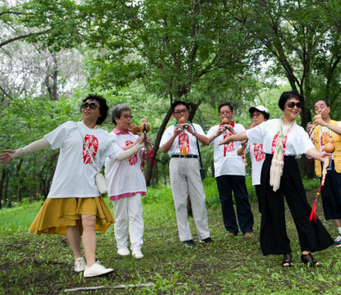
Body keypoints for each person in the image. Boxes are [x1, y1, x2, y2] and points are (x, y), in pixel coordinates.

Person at [0, 95, 144, 277]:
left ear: (100, 113)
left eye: (93, 105)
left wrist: (138, 146)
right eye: (85, 104)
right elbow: (45, 142)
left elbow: (119, 155)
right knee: (71, 223)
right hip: (66, 185)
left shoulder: (104, 136)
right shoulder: (69, 127)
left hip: (89, 187)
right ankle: (79, 258)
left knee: (89, 221)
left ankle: (91, 264)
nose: (87, 107)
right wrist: (18, 152)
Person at [220, 91, 333, 267]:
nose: (295, 107)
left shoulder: (299, 131)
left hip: (288, 168)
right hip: (269, 167)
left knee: (300, 208)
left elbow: (308, 148)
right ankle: (284, 251)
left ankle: (306, 251)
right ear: (283, 106)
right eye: (291, 104)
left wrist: (320, 156)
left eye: (298, 105)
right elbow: (248, 135)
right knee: (274, 210)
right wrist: (230, 139)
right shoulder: (270, 125)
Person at [160, 101, 213, 247]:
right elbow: (164, 149)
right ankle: (185, 237)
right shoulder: (170, 130)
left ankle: (204, 235)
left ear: (188, 112)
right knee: (180, 200)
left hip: (192, 161)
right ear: (173, 115)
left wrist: (192, 131)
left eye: (184, 111)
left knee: (199, 198)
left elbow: (206, 141)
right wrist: (175, 135)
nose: (182, 114)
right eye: (178, 112)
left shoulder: (196, 127)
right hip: (176, 161)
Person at [307, 99, 341, 248]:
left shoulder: (338, 123)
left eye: (322, 107)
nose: (319, 110)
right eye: (316, 108)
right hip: (324, 168)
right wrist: (308, 133)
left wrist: (325, 124)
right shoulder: (314, 130)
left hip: (340, 166)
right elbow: (309, 153)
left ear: (328, 109)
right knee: (330, 200)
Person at [105, 104, 151, 259]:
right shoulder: (110, 137)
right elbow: (118, 154)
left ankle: (137, 246)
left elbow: (146, 154)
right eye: (125, 116)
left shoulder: (133, 136)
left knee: (136, 214)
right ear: (116, 119)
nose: (129, 119)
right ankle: (122, 245)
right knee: (121, 217)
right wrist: (138, 143)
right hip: (118, 181)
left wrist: (146, 143)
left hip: (135, 180)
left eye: (130, 116)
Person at [206, 103, 254, 237]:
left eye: (227, 112)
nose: (225, 115)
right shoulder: (214, 128)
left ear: (232, 113)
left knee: (242, 198)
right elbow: (206, 142)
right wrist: (217, 134)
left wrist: (232, 131)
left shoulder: (239, 127)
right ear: (219, 115)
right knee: (225, 200)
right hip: (221, 169)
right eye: (222, 113)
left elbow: (245, 140)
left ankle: (247, 228)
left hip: (237, 168)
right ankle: (231, 229)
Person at [237, 105, 270, 213]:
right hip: (257, 176)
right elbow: (239, 152)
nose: (255, 117)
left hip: (271, 174)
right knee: (263, 206)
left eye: (258, 115)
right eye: (253, 115)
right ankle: (266, 228)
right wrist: (243, 143)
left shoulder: (270, 132)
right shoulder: (250, 134)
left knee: (273, 203)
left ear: (265, 117)